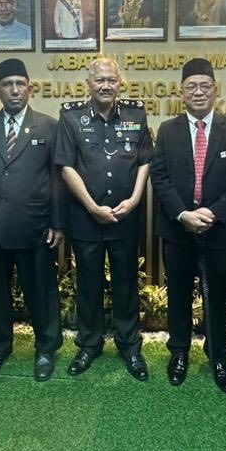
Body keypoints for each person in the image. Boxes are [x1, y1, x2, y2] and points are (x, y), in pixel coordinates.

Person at [150, 58, 226, 393]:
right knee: (178, 294)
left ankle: (218, 355)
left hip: (220, 229)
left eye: (205, 86)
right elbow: (159, 176)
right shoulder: (167, 130)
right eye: (191, 87)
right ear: (181, 93)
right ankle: (179, 352)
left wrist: (213, 213)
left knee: (219, 295)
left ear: (215, 90)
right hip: (178, 229)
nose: (198, 92)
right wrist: (183, 214)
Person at [0, 58, 64, 381]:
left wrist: (57, 223)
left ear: (30, 89)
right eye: (8, 85)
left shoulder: (48, 126)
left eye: (20, 84)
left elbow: (56, 179)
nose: (15, 90)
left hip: (35, 226)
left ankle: (46, 349)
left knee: (41, 292)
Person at [55, 56, 152, 381]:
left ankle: (130, 346)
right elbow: (66, 165)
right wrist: (92, 207)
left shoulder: (136, 114)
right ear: (89, 84)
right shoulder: (70, 117)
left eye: (112, 80)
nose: (106, 85)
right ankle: (89, 344)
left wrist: (135, 199)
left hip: (125, 217)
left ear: (120, 83)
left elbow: (144, 160)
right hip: (85, 219)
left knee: (126, 284)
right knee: (88, 284)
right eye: (100, 80)